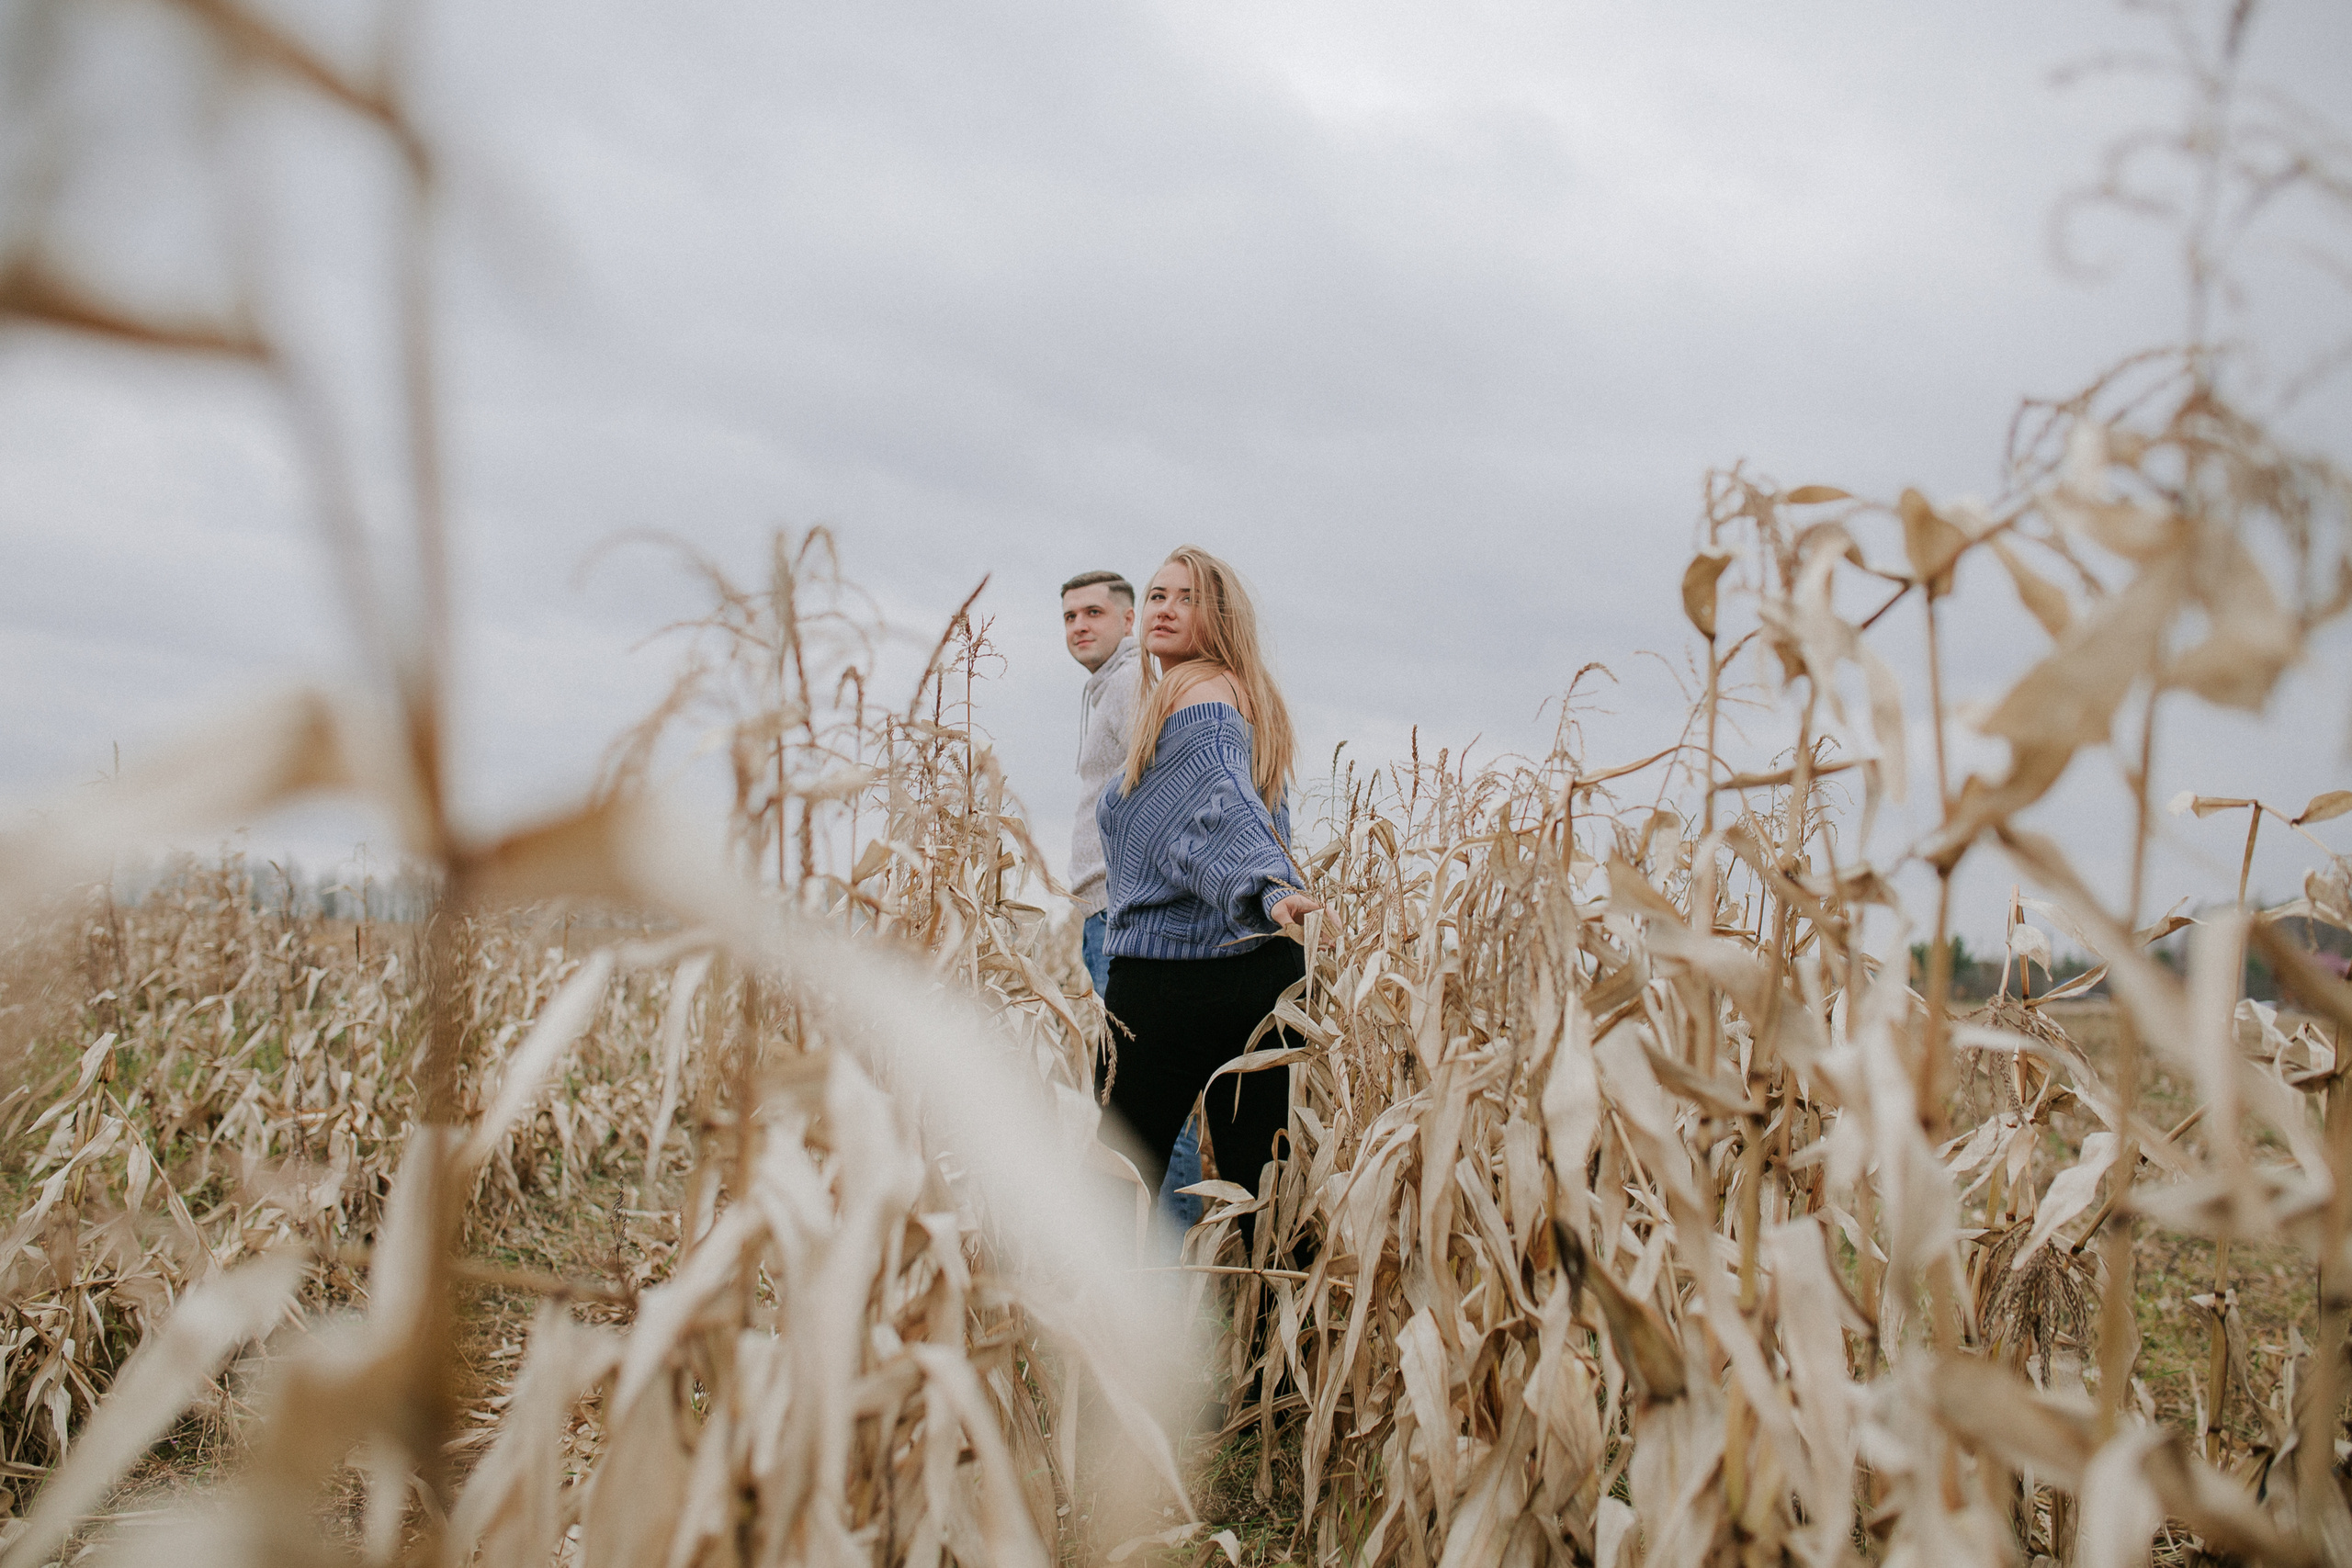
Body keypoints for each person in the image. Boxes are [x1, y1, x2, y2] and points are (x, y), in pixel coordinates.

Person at [1097, 547, 1322, 1244]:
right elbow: (1222, 802)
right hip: (1260, 977)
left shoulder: (1199, 692)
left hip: (1171, 982)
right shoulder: (1237, 692)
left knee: (1110, 1191)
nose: (1163, 607)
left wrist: (1266, 883)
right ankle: (1278, 1353)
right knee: (1267, 1198)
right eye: (1157, 595)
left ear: (1218, 616)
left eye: (1185, 597)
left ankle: (1098, 1348)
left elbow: (1215, 801)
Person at [1061, 569, 1204, 1228]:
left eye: (1093, 613)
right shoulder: (1108, 689)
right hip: (1106, 915)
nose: (1079, 626)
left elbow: (1167, 787)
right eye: (1069, 617)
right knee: (1125, 1092)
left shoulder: (1127, 685)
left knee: (1141, 1095)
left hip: (1123, 918)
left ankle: (1171, 1267)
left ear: (1128, 623)